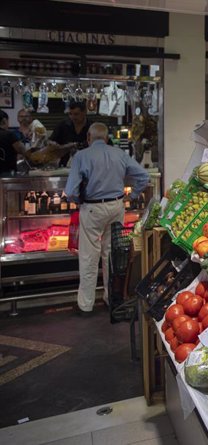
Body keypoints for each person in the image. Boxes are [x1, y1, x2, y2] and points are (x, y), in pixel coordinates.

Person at [65, 123, 149, 315]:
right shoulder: (119, 154)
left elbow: (70, 191)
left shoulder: (81, 156)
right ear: (107, 138)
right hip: (116, 207)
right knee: (111, 254)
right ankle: (111, 298)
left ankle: (86, 304)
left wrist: (79, 200)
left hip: (92, 208)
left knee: (89, 256)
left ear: (88, 137)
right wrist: (133, 195)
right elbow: (143, 176)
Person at [50, 101, 93, 167]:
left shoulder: (93, 126)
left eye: (76, 114)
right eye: (70, 114)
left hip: (88, 165)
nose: (72, 117)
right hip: (64, 166)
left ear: (84, 112)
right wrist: (52, 144)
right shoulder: (62, 125)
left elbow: (105, 145)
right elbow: (50, 141)